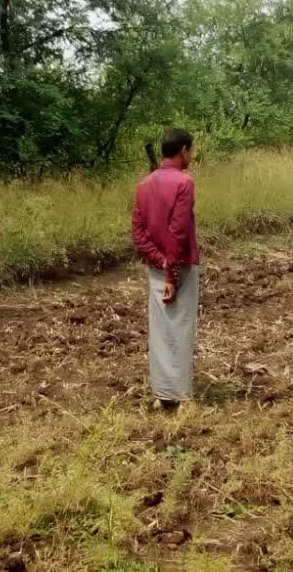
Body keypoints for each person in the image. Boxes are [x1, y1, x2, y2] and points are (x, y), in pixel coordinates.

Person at [132, 129, 200, 411]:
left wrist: (159, 261)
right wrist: (171, 270)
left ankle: (162, 393)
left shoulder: (144, 184)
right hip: (179, 267)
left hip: (157, 266)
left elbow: (138, 233)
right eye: (191, 151)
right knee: (181, 328)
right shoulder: (184, 182)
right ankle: (182, 395)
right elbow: (178, 231)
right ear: (184, 150)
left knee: (160, 329)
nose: (192, 156)